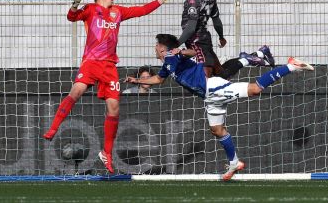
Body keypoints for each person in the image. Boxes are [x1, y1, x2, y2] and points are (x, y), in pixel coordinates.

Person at [126, 34, 314, 181]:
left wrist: (181, 51)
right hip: (209, 98)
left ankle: (291, 66)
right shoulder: (167, 64)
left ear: (161, 47)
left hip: (212, 87)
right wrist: (137, 80)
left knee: (255, 89)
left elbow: (193, 53)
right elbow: (158, 79)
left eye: (156, 45)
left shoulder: (173, 56)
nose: (154, 48)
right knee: (217, 130)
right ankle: (234, 163)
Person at [43, 0, 183, 174]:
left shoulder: (117, 12)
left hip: (109, 66)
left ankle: (106, 153)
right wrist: (74, 4)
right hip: (91, 62)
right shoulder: (90, 9)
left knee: (114, 108)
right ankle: (53, 128)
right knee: (76, 92)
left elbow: (141, 10)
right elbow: (71, 17)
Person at [179, 0, 275, 79]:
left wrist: (175, 44)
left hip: (196, 42)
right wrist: (221, 36)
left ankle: (248, 58)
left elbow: (190, 28)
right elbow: (216, 19)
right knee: (221, 73)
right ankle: (257, 54)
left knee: (205, 82)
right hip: (204, 39)